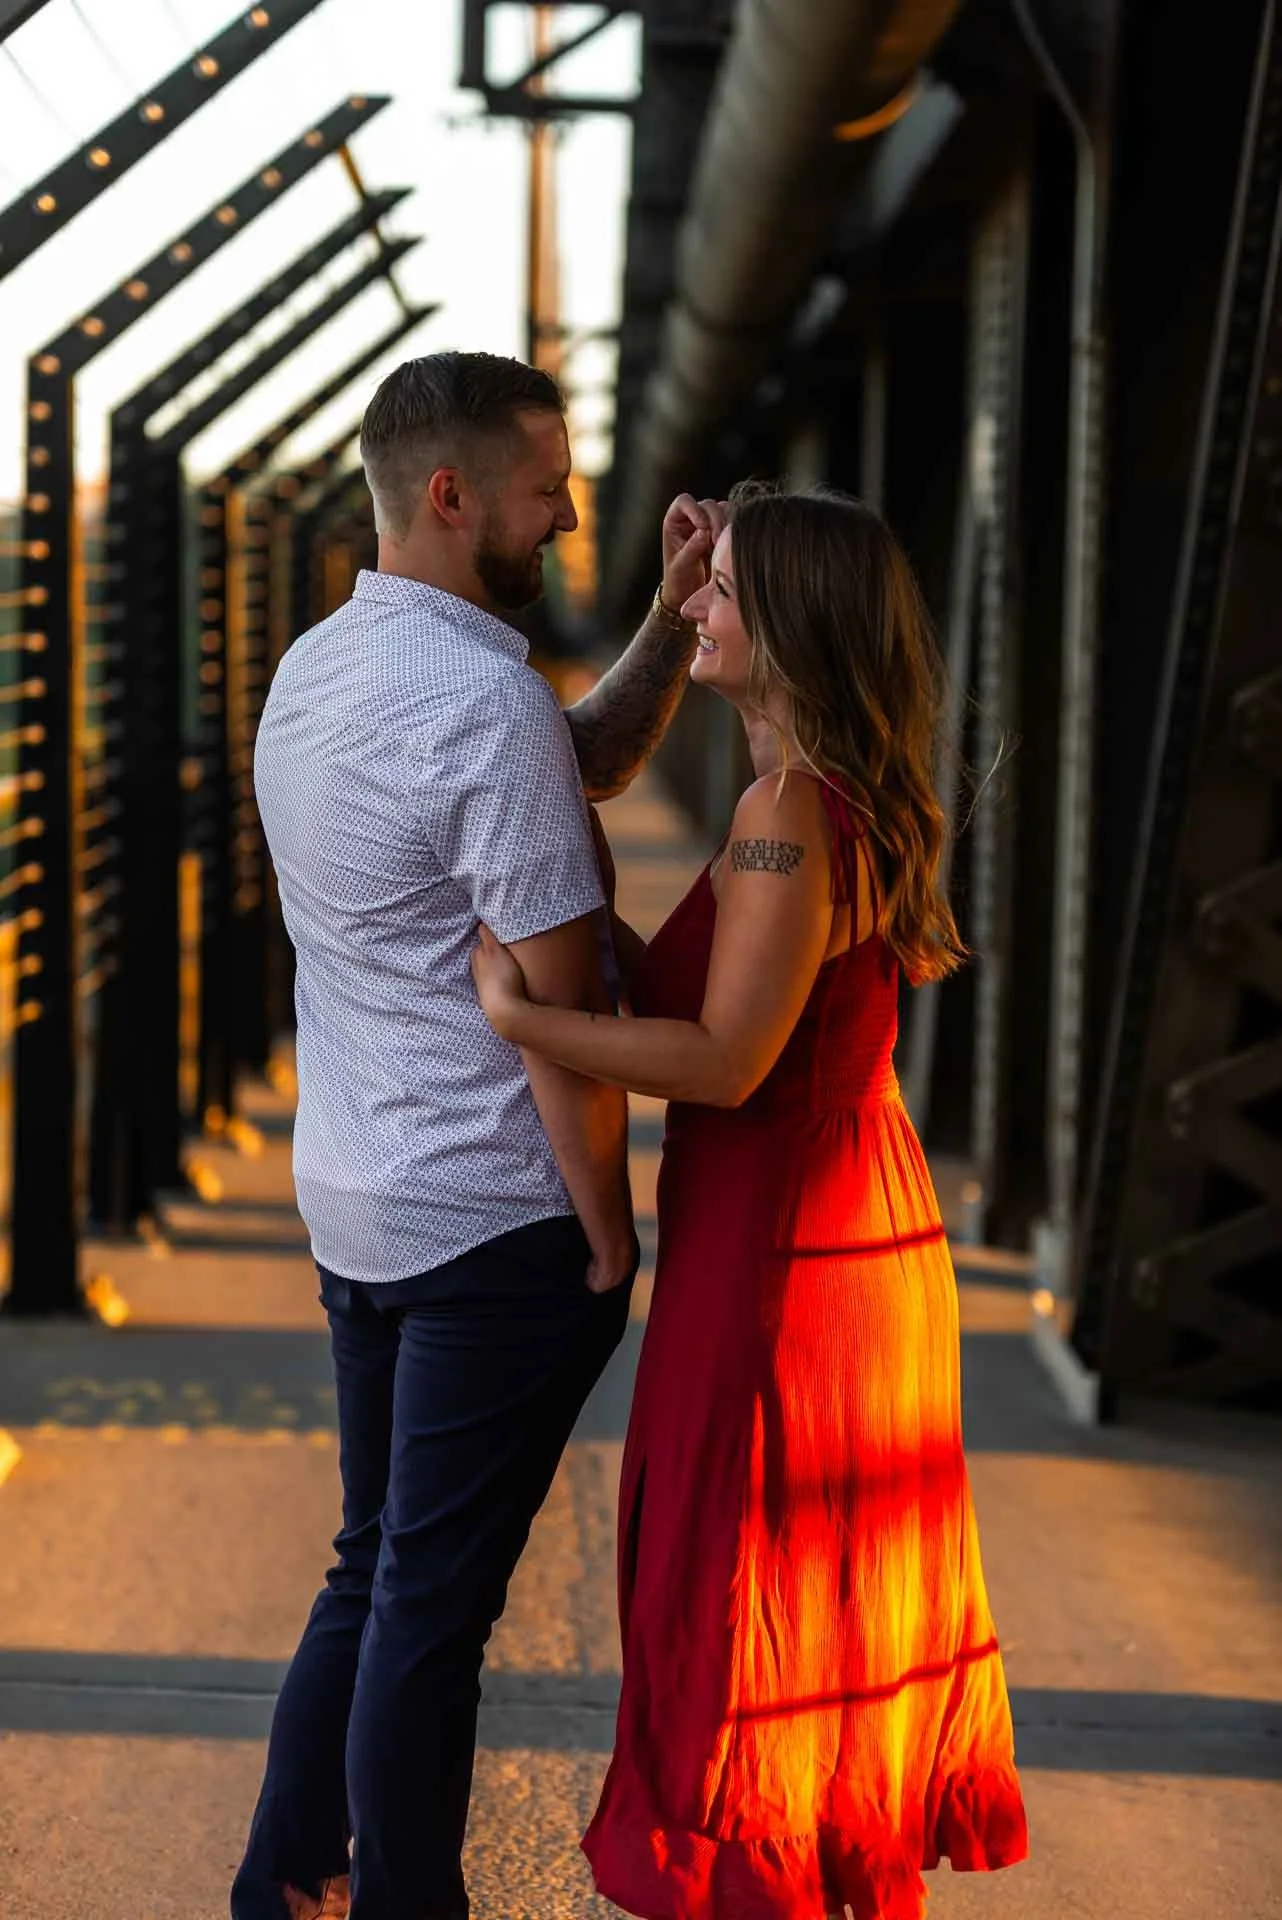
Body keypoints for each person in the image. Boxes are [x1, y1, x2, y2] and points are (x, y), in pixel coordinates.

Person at [471, 482, 1031, 1920]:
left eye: (719, 592)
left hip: (788, 1250)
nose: (699, 610)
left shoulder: (787, 809)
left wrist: (520, 1020)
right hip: (832, 1223)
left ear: (787, 619)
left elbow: (721, 1061)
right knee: (787, 1581)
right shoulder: (813, 794)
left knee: (737, 1585)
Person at [232, 350, 725, 1920]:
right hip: (494, 1223)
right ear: (451, 497)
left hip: (356, 1203)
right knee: (429, 1612)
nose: (571, 510)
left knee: (372, 1569)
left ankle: (282, 1879)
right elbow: (566, 1011)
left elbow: (563, 760)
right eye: (543, 488)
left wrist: (667, 608)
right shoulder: (482, 712)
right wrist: (604, 1227)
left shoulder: (321, 669)